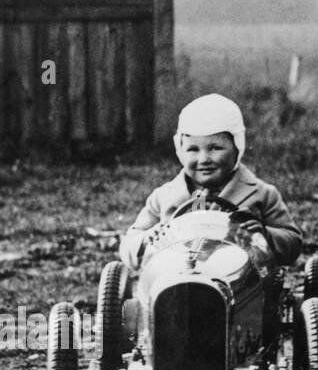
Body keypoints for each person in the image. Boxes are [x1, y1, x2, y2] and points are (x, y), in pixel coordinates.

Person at [119, 93, 303, 271]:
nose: (204, 158)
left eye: (215, 148)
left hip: (240, 285)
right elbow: (130, 242)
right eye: (193, 149)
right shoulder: (163, 197)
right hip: (176, 282)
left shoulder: (262, 194)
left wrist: (266, 234)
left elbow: (292, 242)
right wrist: (146, 239)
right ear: (180, 150)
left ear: (237, 148)